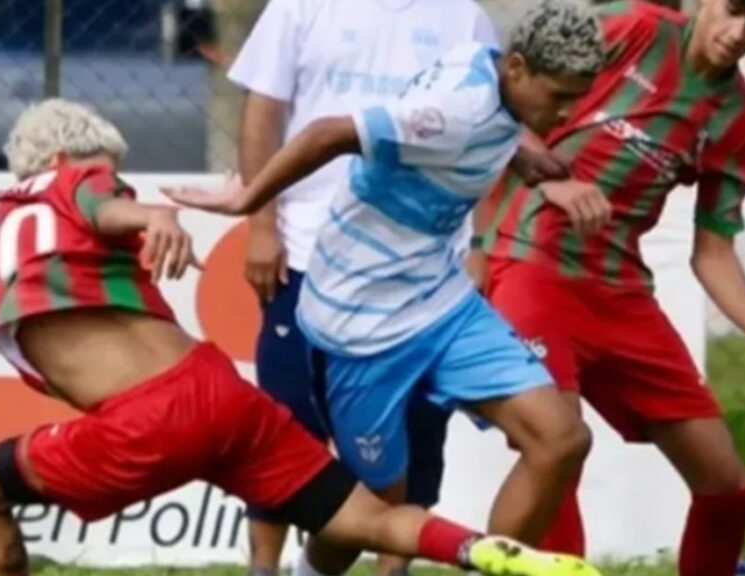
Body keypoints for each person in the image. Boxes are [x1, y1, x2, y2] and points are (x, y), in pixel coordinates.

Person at [0, 99, 596, 576]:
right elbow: (101, 204)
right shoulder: (76, 182)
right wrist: (149, 214)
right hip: (219, 394)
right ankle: (483, 550)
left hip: (144, 423)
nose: (115, 180)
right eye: (108, 170)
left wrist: (146, 216)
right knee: (365, 518)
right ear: (64, 161)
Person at [165, 2, 606, 574]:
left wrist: (517, 153)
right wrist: (251, 203)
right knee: (376, 513)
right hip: (359, 324)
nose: (568, 113)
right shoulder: (456, 109)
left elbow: (477, 128)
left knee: (562, 438)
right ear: (518, 68)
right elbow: (327, 133)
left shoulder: (481, 58)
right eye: (560, 97)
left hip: (439, 301)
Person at [472, 1, 745, 575]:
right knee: (556, 450)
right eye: (733, 10)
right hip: (531, 264)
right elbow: (501, 86)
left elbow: (713, 253)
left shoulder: (735, 117)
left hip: (621, 294)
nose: (738, 33)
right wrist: (544, 173)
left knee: (727, 485)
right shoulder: (634, 28)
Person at [225, 2, 502, 575]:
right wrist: (261, 225)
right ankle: (264, 568)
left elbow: (492, 134)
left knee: (416, 431)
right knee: (284, 424)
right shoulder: (300, 7)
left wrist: (478, 244)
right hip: (308, 253)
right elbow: (262, 110)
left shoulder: (467, 19)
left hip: (420, 272)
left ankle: (389, 570)